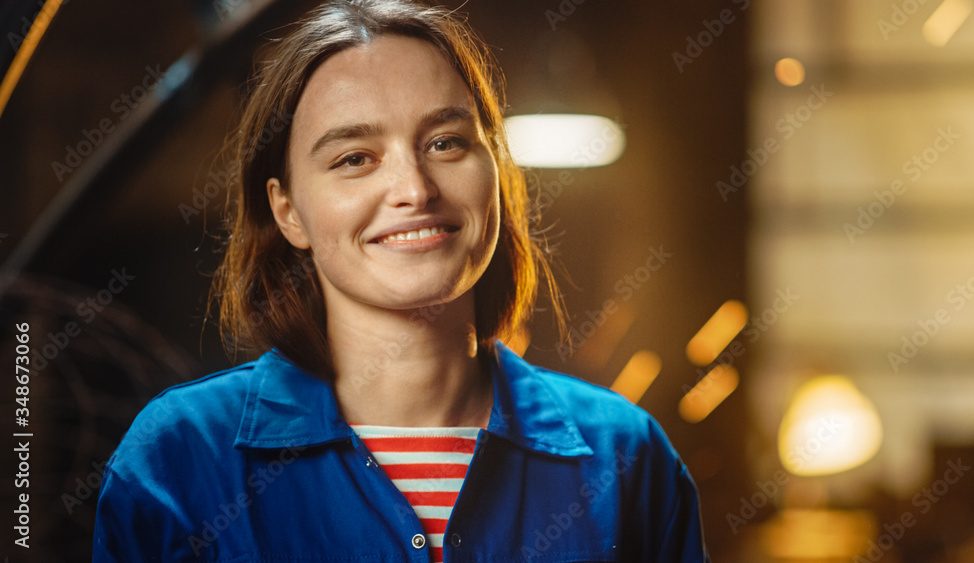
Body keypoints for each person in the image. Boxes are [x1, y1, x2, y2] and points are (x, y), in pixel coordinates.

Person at [93, 0, 709, 560]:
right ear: (287, 212)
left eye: (445, 142)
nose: (415, 189)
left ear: (494, 170)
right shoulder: (178, 460)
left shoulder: (626, 458)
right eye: (355, 159)